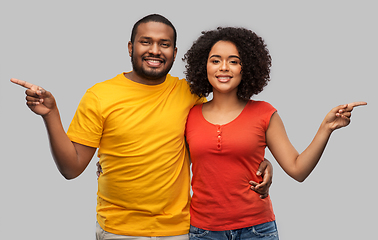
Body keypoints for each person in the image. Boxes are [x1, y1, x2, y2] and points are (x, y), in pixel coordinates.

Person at [10, 15, 273, 239]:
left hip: (179, 230)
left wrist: (260, 162)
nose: (155, 50)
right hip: (118, 230)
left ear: (174, 52)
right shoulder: (100, 95)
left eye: (164, 44)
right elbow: (72, 168)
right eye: (146, 42)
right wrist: (51, 114)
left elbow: (221, 138)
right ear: (130, 47)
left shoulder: (190, 93)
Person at [183, 27, 367, 239]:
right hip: (203, 231)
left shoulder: (264, 113)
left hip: (257, 230)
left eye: (234, 61)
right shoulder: (190, 115)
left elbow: (298, 170)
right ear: (203, 65)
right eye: (215, 60)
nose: (224, 67)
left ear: (247, 67)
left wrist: (325, 128)